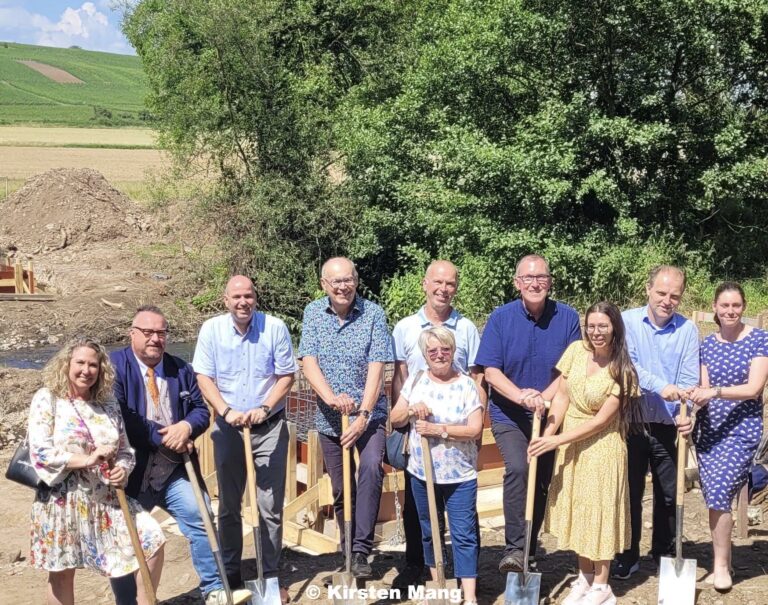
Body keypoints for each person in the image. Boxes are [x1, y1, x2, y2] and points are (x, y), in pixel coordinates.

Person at [109, 306, 252, 605]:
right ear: (132, 333)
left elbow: (201, 410)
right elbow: (123, 414)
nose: (155, 339)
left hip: (174, 470)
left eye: (161, 333)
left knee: (201, 518)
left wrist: (186, 427)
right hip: (132, 472)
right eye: (147, 332)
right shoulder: (114, 367)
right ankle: (128, 601)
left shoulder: (181, 370)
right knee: (125, 539)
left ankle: (214, 589)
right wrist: (166, 437)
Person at [28, 337, 165, 605]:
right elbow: (40, 454)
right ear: (67, 364)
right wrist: (89, 459)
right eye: (80, 362)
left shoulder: (108, 403)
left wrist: (123, 471)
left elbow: (125, 451)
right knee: (62, 575)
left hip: (108, 501)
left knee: (153, 540)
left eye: (93, 365)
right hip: (62, 502)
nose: (86, 370)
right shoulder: (48, 398)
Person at [193, 276, 297, 602]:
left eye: (248, 296)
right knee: (228, 505)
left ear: (255, 298)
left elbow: (286, 376)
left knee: (269, 506)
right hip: (228, 426)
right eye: (236, 296)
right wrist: (225, 411)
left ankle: (270, 574)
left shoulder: (275, 327)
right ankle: (232, 573)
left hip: (268, 425)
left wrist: (264, 408)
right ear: (225, 300)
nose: (243, 302)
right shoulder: (211, 330)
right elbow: (203, 377)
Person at [529, 302, 641, 605]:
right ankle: (585, 577)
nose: (596, 332)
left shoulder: (623, 370)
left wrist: (555, 441)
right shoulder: (577, 351)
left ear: (615, 327)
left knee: (599, 512)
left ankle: (603, 586)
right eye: (591, 326)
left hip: (603, 447)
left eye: (603, 326)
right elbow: (562, 397)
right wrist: (545, 437)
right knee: (578, 509)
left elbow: (600, 421)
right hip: (571, 443)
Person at [475, 254, 581, 572]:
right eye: (528, 278)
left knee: (542, 479)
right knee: (520, 469)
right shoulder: (501, 318)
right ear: (517, 283)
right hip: (509, 412)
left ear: (550, 282)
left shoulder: (568, 318)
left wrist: (543, 399)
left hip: (550, 412)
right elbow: (491, 372)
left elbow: (570, 369)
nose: (535, 284)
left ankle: (529, 549)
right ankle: (514, 549)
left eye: (541, 278)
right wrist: (522, 397)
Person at [390, 260, 485, 588]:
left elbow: (477, 377)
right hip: (419, 442)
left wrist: (476, 428)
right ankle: (420, 568)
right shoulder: (404, 328)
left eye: (450, 284)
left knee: (463, 521)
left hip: (459, 449)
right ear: (425, 284)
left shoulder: (467, 328)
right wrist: (403, 417)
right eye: (438, 282)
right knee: (421, 515)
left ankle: (465, 581)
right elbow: (400, 377)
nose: (444, 289)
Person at [298, 257, 393, 578]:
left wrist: (363, 415)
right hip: (330, 419)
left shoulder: (373, 314)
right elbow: (308, 361)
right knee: (341, 488)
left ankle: (363, 551)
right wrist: (330, 398)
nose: (343, 287)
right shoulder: (313, 313)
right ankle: (347, 548)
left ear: (356, 281)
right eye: (335, 281)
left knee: (369, 470)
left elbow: (377, 366)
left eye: (348, 280)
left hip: (369, 416)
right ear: (324, 284)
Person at [677, 282, 768, 592]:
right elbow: (701, 390)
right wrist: (688, 412)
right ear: (715, 308)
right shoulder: (706, 345)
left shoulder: (759, 339)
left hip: (742, 428)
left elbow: (753, 389)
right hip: (710, 430)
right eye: (725, 306)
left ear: (743, 308)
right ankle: (722, 559)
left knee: (718, 490)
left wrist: (714, 392)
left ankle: (720, 566)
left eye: (736, 306)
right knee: (714, 496)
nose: (730, 311)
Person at [614, 265, 699, 579]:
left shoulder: (687, 330)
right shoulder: (627, 321)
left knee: (669, 493)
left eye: (674, 295)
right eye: (662, 293)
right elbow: (629, 366)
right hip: (632, 422)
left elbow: (689, 379)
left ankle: (665, 553)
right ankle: (627, 554)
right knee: (629, 491)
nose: (667, 300)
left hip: (668, 424)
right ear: (648, 290)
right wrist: (663, 386)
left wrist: (686, 414)